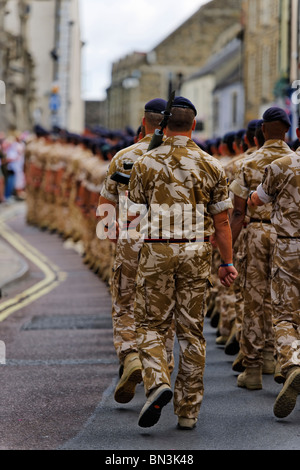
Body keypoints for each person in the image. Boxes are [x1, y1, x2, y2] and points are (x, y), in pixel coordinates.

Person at [128, 96, 237, 430]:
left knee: (150, 325)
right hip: (196, 252)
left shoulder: (145, 163)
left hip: (158, 250)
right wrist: (227, 263)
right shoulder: (211, 165)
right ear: (193, 124)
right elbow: (222, 224)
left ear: (162, 125)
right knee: (191, 332)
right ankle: (188, 411)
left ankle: (158, 379)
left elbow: (134, 214)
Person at [98, 98, 175, 405]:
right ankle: (160, 373)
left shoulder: (123, 157)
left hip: (131, 238)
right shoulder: (181, 159)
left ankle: (130, 357)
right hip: (168, 241)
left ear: (144, 122)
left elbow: (105, 207)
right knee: (161, 309)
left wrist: (115, 236)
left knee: (125, 302)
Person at [230, 107, 295, 390]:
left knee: (254, 297)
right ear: (288, 131)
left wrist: (227, 253)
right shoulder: (292, 161)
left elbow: (237, 212)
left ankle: (254, 367)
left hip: (255, 231)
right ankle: (281, 360)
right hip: (284, 235)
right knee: (284, 301)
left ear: (263, 131)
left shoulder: (248, 163)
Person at [248, 121, 300, 419]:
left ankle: (292, 365)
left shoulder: (282, 165)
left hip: (290, 245)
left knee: (284, 313)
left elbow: (258, 199)